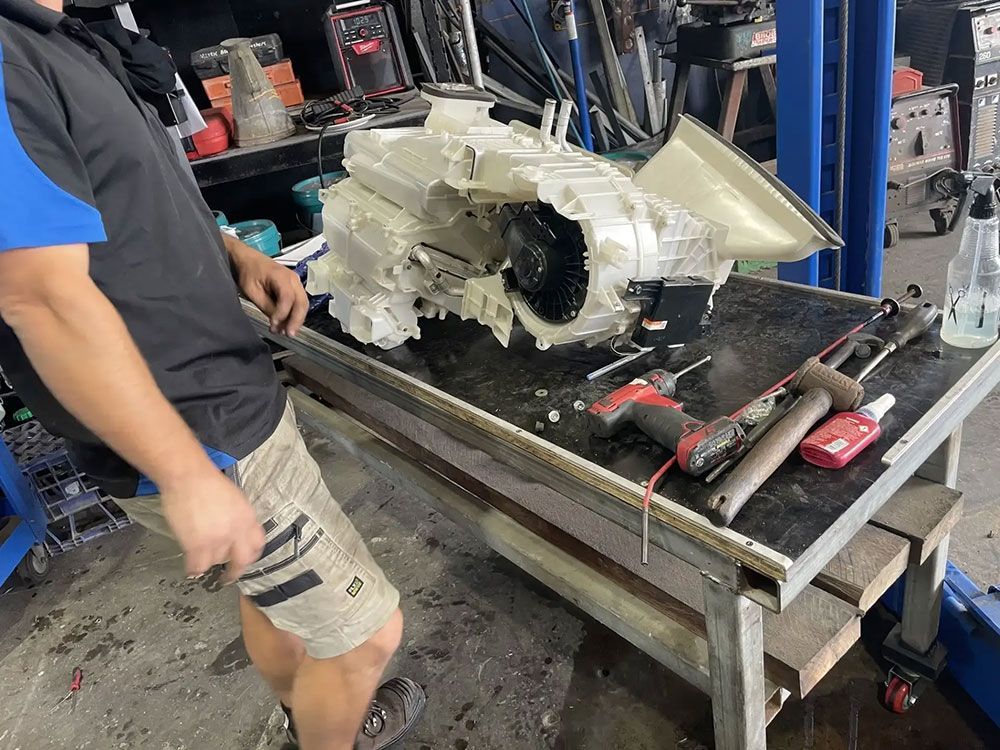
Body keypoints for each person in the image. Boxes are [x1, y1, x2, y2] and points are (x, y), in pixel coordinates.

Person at [0, 1, 425, 748]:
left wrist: (233, 256)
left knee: (274, 597)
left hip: (223, 390)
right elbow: (37, 296)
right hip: (196, 425)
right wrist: (186, 473)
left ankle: (310, 713)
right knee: (364, 639)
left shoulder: (64, 36)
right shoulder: (7, 60)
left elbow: (130, 199)